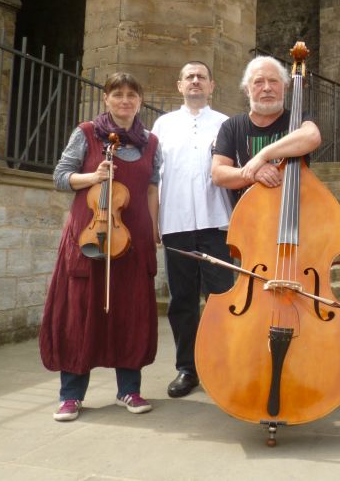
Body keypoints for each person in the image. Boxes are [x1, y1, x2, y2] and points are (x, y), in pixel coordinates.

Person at [40, 73, 161, 422]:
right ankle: (71, 395)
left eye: (132, 95)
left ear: (139, 101)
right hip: (88, 236)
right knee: (79, 312)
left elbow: (152, 189)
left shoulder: (150, 142)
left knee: (130, 312)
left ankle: (129, 389)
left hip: (133, 237)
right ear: (106, 99)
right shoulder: (87, 132)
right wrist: (93, 177)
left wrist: (154, 231)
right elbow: (61, 177)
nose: (125, 100)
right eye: (118, 94)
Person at [151, 61, 233, 399]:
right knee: (182, 301)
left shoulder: (227, 124)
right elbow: (154, 177)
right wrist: (154, 221)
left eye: (201, 77)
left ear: (212, 86)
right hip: (177, 224)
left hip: (217, 223)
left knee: (221, 300)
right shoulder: (163, 125)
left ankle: (224, 366)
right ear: (179, 85)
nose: (195, 81)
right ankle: (187, 369)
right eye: (190, 77)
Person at [211, 55, 321, 199]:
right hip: (248, 217)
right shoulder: (231, 126)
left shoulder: (299, 119)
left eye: (273, 81)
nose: (267, 88)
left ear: (285, 87)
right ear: (247, 90)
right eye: (258, 82)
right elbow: (218, 174)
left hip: (298, 211)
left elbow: (312, 136)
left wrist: (263, 155)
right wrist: (253, 174)